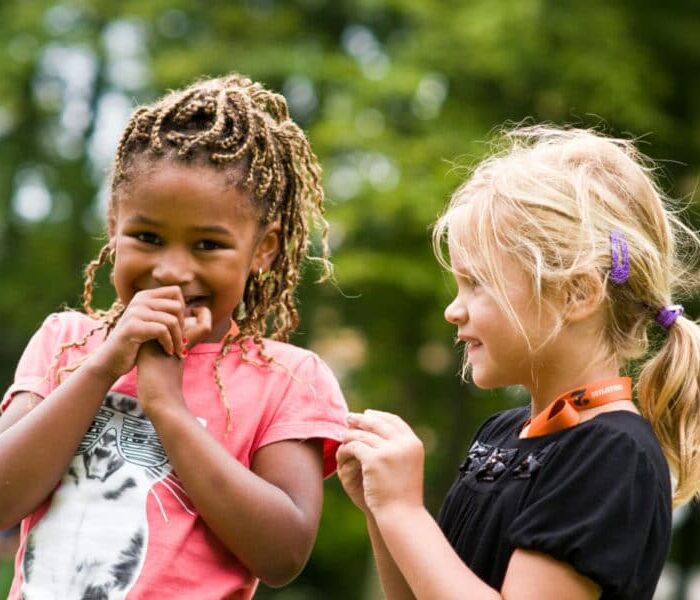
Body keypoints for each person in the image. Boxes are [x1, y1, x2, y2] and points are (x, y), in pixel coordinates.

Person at [0, 73, 348, 599]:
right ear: (114, 222)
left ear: (264, 249)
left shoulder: (287, 379)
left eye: (208, 245)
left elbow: (282, 553)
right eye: (147, 237)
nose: (170, 270)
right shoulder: (66, 343)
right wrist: (101, 369)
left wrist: (166, 404)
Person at [337, 125, 700, 599]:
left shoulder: (613, 455)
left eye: (478, 283)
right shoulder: (498, 435)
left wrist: (405, 511)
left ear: (577, 292)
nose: (454, 309)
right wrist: (382, 511)